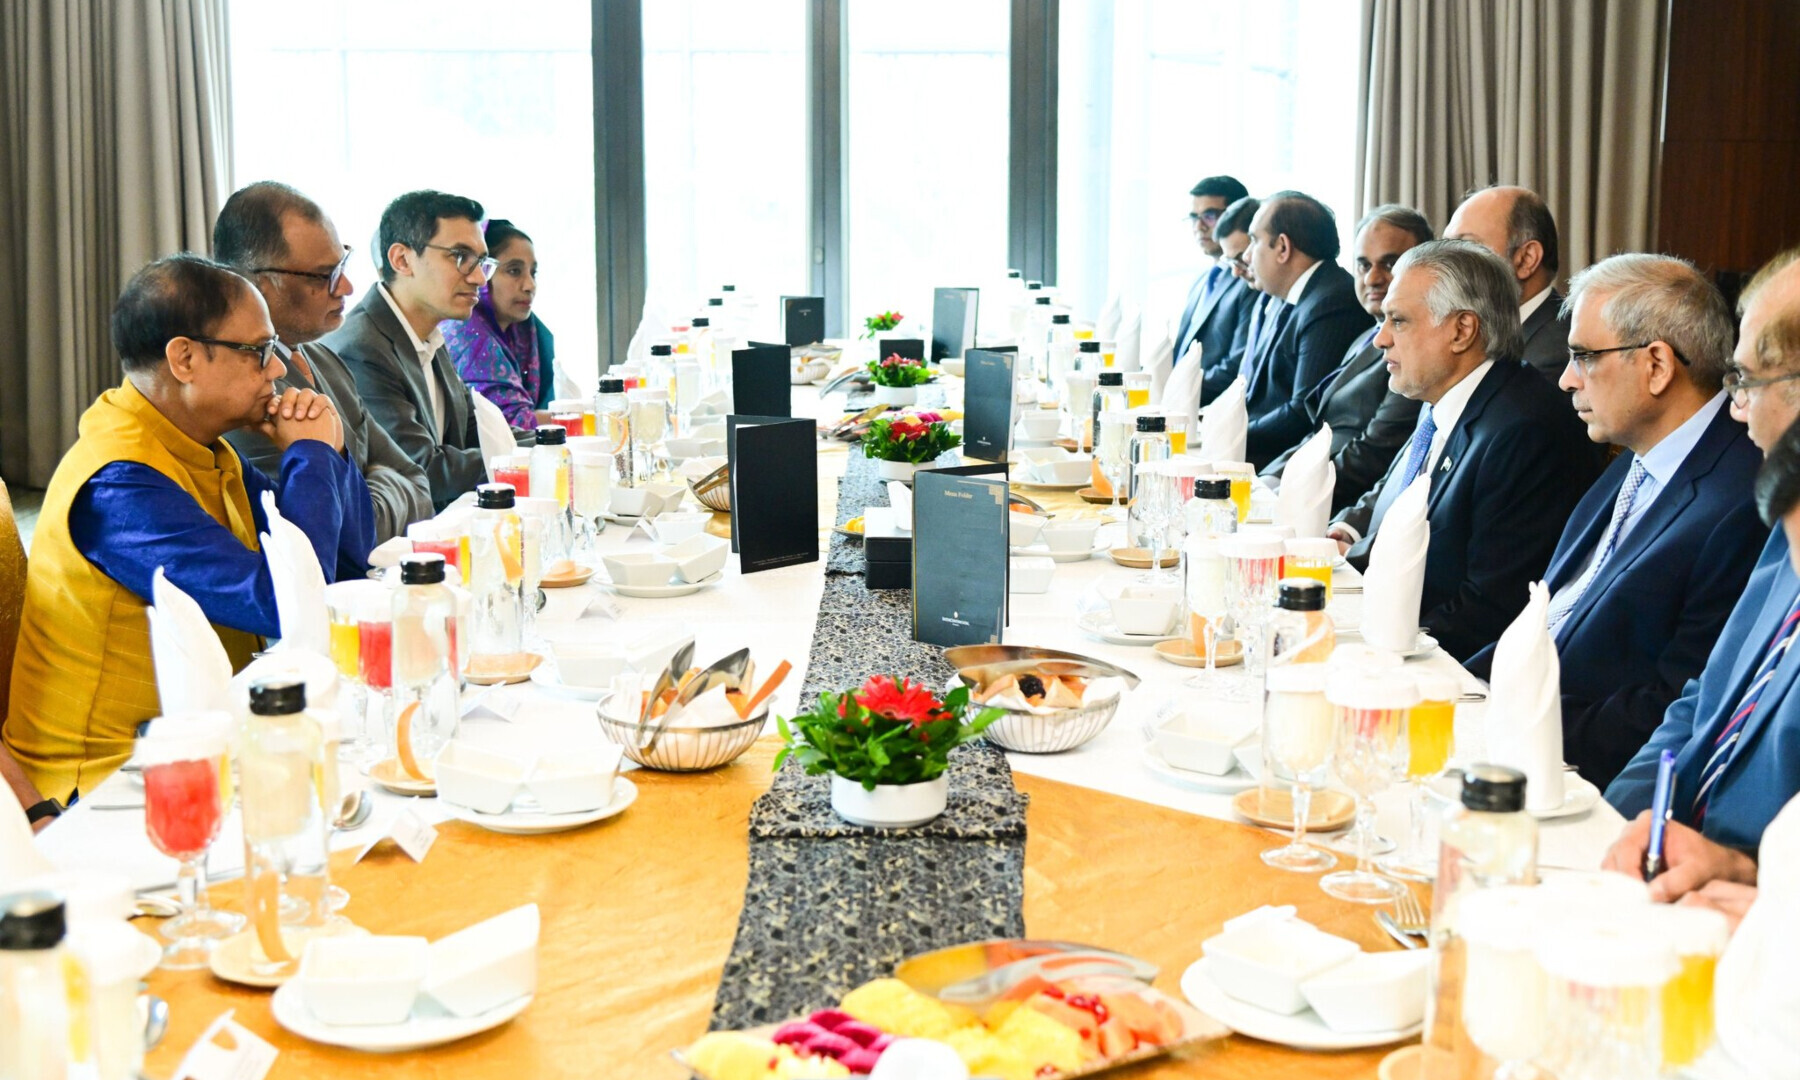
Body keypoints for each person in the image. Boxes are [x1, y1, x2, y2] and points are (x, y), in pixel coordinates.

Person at [3, 255, 373, 802]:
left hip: (204, 740)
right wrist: (310, 457)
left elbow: (348, 567)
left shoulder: (202, 446)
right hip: (109, 781)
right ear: (185, 358)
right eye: (258, 351)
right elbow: (289, 603)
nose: (277, 369)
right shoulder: (117, 484)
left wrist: (328, 453)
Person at [1465, 254, 1762, 789]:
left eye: (1583, 356)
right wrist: (1459, 688)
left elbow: (1675, 704)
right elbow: (1554, 613)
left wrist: (1506, 721)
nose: (1566, 380)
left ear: (1657, 366)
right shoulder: (1635, 452)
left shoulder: (1740, 503)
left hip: (1577, 775)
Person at [1606, 247, 1800, 852]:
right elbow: (1703, 701)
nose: (1735, 410)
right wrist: (1619, 822)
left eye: (1746, 382)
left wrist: (1749, 878)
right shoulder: (1785, 520)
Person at [1327, 239, 1601, 662]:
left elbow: (1489, 609)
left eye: (1398, 321)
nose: (1381, 339)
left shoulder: (1523, 430)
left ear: (1461, 331)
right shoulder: (1445, 395)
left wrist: (1369, 649)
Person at [213, 181, 433, 544]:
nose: (346, 287)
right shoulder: (244, 389)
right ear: (255, 283)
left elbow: (416, 481)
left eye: (342, 263)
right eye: (323, 275)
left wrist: (373, 490)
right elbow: (334, 537)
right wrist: (379, 479)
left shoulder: (323, 358)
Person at [325, 190, 494, 510]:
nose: (479, 278)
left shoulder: (429, 334)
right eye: (460, 256)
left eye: (482, 262)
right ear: (402, 260)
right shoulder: (362, 349)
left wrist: (556, 441)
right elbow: (423, 470)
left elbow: (481, 433)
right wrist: (528, 457)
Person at [1261, 204, 1428, 510]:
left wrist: (1288, 496)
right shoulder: (1363, 338)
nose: (1372, 278)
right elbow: (1321, 433)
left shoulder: (1419, 350)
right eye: (1363, 265)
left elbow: (1374, 451)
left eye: (1390, 264)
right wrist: (1267, 481)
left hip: (1336, 505)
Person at [1239, 192, 1374, 468]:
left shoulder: (1331, 301)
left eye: (1254, 240)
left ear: (1283, 247)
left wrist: (1234, 436)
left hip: (1282, 460)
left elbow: (1302, 412)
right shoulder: (1290, 296)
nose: (1246, 255)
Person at [441, 219, 558, 431]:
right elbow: (510, 424)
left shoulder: (525, 331)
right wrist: (586, 416)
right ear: (483, 272)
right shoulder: (466, 333)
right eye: (514, 271)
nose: (530, 285)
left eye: (533, 273)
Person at [1444, 185, 1569, 381]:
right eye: (1446, 247)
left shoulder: (1557, 351)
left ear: (1526, 259)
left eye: (1467, 247)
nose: (1447, 264)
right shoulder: (1473, 334)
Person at [1172, 176, 1256, 387]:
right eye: (1194, 217)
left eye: (1209, 216)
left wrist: (1180, 391)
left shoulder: (1250, 280)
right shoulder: (1200, 281)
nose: (1199, 226)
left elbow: (1237, 364)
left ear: (1236, 215)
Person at [1200, 196, 1264, 405]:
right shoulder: (1203, 280)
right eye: (1231, 261)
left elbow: (1236, 366)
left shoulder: (1256, 291)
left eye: (1242, 258)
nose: (1237, 271)